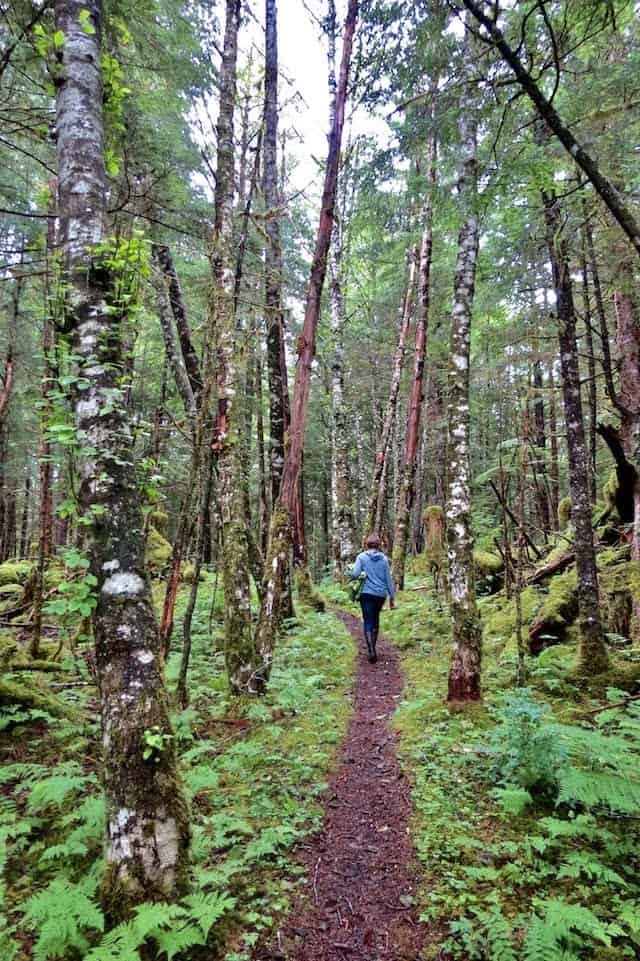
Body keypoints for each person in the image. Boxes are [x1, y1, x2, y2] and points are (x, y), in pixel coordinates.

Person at [350, 533, 395, 663]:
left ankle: (371, 651)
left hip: (366, 594)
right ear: (379, 545)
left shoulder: (361, 557)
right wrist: (392, 597)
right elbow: (388, 579)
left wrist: (356, 574)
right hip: (380, 595)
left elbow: (355, 574)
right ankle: (373, 648)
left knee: (367, 620)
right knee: (375, 619)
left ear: (367, 544)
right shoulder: (384, 559)